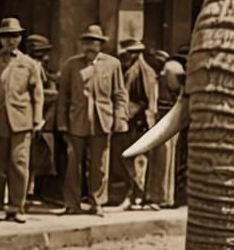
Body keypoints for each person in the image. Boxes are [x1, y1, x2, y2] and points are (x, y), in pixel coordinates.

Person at [0, 17, 44, 223]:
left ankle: (17, 207)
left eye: (14, 36)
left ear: (20, 38)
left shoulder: (29, 63)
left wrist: (36, 120)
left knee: (19, 165)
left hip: (22, 121)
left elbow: (37, 93)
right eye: (5, 36)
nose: (10, 40)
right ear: (0, 39)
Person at [56, 24, 128, 216]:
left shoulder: (113, 65)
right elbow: (63, 96)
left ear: (100, 44)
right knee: (74, 165)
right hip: (76, 121)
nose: (90, 46)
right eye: (86, 42)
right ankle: (72, 204)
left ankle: (97, 203)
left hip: (103, 120)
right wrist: (62, 123)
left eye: (94, 42)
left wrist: (119, 117)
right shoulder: (71, 65)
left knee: (100, 165)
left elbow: (120, 94)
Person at [114, 38, 158, 210]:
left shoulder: (141, 71)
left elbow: (147, 101)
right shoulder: (136, 70)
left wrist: (126, 115)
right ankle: (134, 194)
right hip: (137, 118)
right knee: (132, 159)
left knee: (137, 159)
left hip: (138, 120)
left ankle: (137, 195)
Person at [147, 58, 184, 208]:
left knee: (166, 158)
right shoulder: (165, 87)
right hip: (163, 123)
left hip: (168, 125)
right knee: (162, 158)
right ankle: (161, 195)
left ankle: (163, 197)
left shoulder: (177, 91)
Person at [26, 34, 58, 202]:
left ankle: (34, 191)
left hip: (45, 119)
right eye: (41, 52)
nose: (45, 56)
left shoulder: (41, 67)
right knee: (33, 157)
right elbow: (39, 93)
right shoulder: (32, 67)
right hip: (37, 118)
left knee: (41, 157)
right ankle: (30, 192)